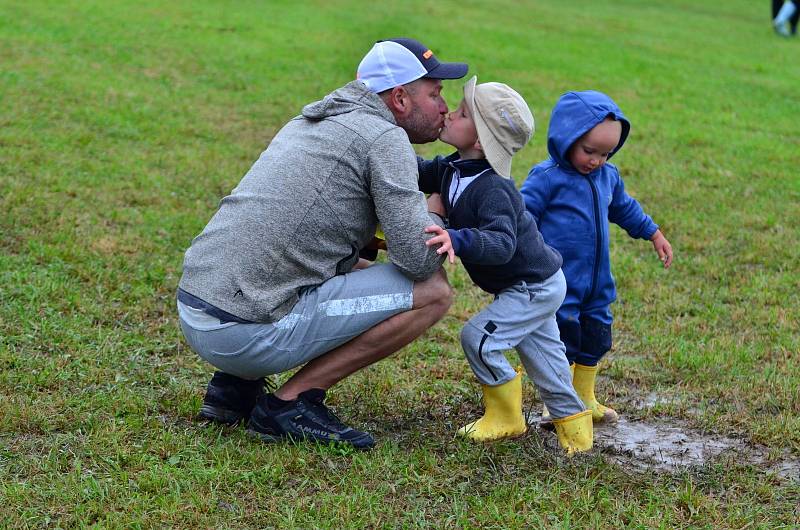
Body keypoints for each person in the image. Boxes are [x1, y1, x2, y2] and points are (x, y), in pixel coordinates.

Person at [176, 38, 468, 449]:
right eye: (435, 94)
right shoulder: (384, 139)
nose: (444, 105)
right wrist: (436, 214)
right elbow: (418, 261)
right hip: (243, 331)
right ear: (400, 98)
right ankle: (291, 404)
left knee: (344, 263)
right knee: (433, 291)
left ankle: (232, 390)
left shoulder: (315, 120)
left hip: (197, 307)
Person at [418, 76, 592, 454]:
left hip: (532, 287)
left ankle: (506, 418)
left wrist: (457, 237)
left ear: (479, 141)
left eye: (462, 113)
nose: (450, 112)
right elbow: (421, 172)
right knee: (546, 361)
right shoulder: (454, 166)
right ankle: (578, 436)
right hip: (535, 284)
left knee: (478, 339)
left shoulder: (494, 188)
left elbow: (500, 244)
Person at [520, 91, 673, 426]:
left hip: (597, 283)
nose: (597, 161)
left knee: (596, 337)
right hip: (560, 282)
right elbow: (522, 215)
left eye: (606, 153)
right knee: (563, 341)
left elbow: (624, 208)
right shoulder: (547, 178)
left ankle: (585, 396)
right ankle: (558, 403)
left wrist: (653, 233)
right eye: (589, 151)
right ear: (565, 139)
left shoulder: (608, 176)